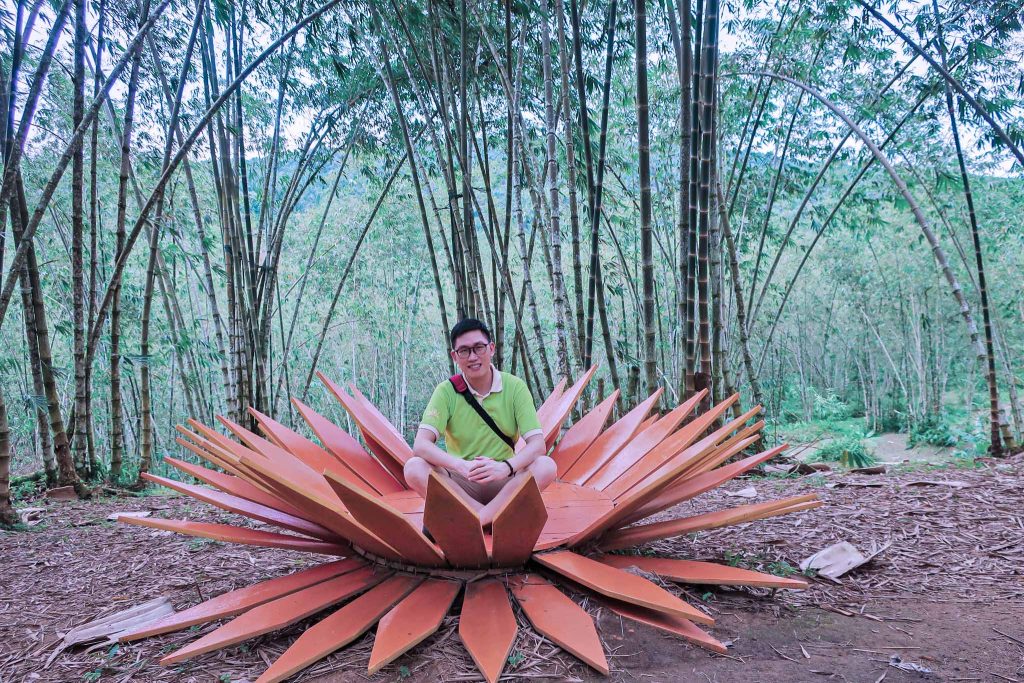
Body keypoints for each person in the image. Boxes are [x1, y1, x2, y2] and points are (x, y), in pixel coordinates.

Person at [405, 318, 556, 527]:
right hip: (462, 482)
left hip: (504, 482)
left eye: (479, 348)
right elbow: (421, 445)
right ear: (454, 356)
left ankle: (475, 518)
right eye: (464, 351)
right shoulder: (446, 391)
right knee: (414, 468)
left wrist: (505, 467)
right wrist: (460, 465)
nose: (473, 357)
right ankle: (489, 516)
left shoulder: (514, 387)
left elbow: (538, 445)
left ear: (491, 348)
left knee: (546, 466)